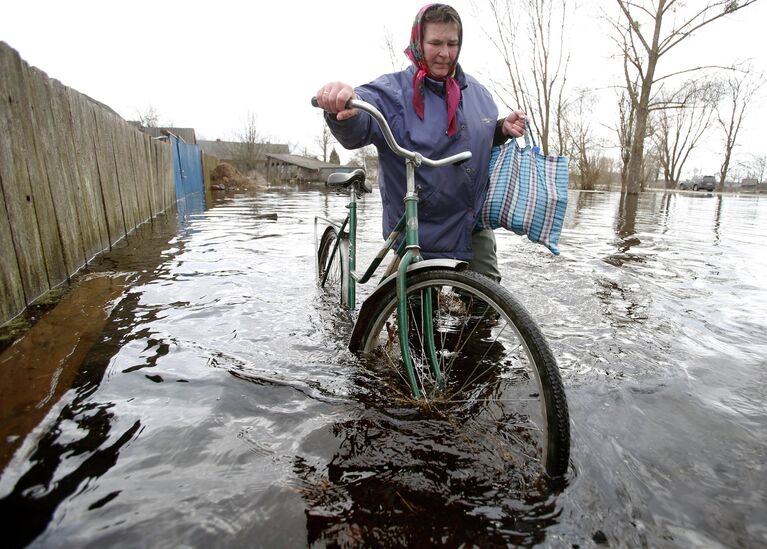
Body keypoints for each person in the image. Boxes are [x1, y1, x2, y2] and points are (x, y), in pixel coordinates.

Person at [315, 3, 525, 282]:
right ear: (417, 42)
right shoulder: (393, 93)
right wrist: (344, 108)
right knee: (413, 315)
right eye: (435, 42)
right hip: (417, 226)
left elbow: (476, 135)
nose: (445, 53)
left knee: (484, 310)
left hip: (469, 224)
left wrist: (501, 129)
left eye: (452, 43)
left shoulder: (478, 94)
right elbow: (360, 123)